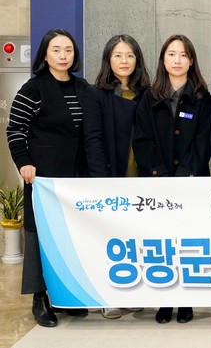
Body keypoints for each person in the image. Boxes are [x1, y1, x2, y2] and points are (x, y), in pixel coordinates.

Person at [5, 29, 89, 327]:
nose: (63, 55)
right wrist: (24, 163)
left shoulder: (83, 87)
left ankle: (63, 295)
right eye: (56, 50)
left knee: (68, 235)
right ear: (44, 54)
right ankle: (39, 298)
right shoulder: (33, 89)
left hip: (75, 177)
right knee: (39, 234)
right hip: (42, 177)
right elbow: (15, 130)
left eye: (68, 50)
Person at [133, 34, 211, 325]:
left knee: (188, 242)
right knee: (163, 243)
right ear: (163, 60)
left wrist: (185, 175)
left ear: (191, 61)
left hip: (192, 183)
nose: (177, 60)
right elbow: (142, 140)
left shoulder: (202, 98)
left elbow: (204, 141)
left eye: (183, 55)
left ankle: (187, 300)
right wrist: (160, 175)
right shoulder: (149, 97)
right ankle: (165, 300)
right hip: (158, 184)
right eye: (171, 54)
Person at [83, 34, 151, 319]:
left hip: (141, 176)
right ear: (108, 59)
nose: (124, 61)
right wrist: (101, 180)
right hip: (110, 175)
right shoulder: (96, 94)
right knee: (108, 238)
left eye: (130, 55)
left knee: (134, 238)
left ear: (137, 60)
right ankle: (106, 295)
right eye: (118, 55)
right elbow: (93, 139)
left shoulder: (148, 93)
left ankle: (132, 292)